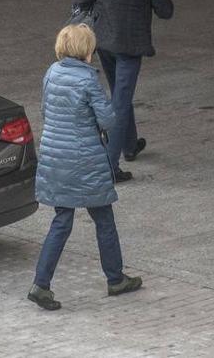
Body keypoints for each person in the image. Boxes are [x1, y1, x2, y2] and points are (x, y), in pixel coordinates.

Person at [29, 23, 143, 311]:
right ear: (86, 50)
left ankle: (40, 284)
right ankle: (115, 279)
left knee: (61, 221)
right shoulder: (87, 80)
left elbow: (45, 111)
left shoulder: (51, 73)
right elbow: (107, 120)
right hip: (84, 160)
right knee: (103, 218)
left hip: (55, 158)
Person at [72, 0, 174, 182]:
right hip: (130, 47)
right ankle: (109, 166)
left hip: (104, 43)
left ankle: (129, 146)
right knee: (119, 102)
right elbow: (166, 10)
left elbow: (81, 1)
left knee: (120, 93)